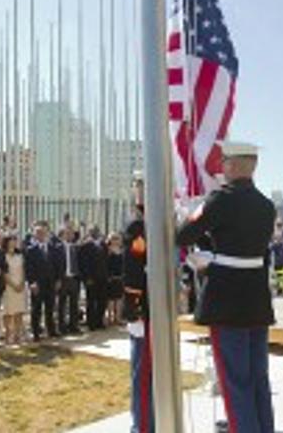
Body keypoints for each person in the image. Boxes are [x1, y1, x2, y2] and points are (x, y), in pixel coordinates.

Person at [177, 141, 276, 433]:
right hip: (257, 299)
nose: (221, 167)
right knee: (258, 379)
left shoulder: (220, 199)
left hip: (227, 299)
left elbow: (184, 234)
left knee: (234, 382)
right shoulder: (266, 205)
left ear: (232, 165)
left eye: (224, 162)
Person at [123, 172, 153, 433]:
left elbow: (133, 271)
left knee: (144, 375)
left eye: (142, 187)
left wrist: (134, 310)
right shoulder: (145, 225)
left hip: (146, 310)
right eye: (138, 187)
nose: (139, 192)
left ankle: (144, 427)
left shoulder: (139, 226)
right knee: (145, 373)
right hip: (151, 310)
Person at [25, 222, 59, 341]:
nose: (41, 234)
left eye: (43, 232)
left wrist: (57, 280)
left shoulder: (53, 248)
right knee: (36, 309)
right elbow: (28, 268)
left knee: (50, 308)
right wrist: (32, 283)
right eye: (38, 232)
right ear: (34, 234)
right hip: (37, 284)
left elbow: (57, 266)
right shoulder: (30, 250)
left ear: (47, 233)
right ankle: (36, 332)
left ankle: (51, 330)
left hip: (50, 283)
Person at [53, 225, 82, 335]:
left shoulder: (75, 247)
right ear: (63, 234)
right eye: (67, 233)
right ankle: (62, 327)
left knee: (74, 303)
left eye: (71, 233)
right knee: (62, 304)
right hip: (63, 279)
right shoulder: (57, 247)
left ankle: (74, 326)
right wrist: (57, 280)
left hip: (74, 278)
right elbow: (55, 265)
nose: (70, 235)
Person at [79, 226, 108, 331]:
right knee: (91, 301)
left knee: (102, 301)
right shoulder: (85, 246)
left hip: (103, 278)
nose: (95, 232)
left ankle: (99, 321)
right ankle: (91, 323)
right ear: (89, 233)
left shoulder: (103, 245)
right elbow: (83, 264)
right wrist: (87, 278)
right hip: (91, 278)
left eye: (96, 230)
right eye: (92, 231)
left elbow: (106, 261)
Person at [1, 235, 27, 345]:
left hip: (20, 285)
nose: (13, 243)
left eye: (14, 241)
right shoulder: (3, 256)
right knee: (8, 312)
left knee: (19, 311)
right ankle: (8, 335)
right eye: (10, 241)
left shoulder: (20, 256)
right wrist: (13, 285)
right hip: (9, 286)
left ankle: (17, 335)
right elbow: (4, 273)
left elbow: (24, 270)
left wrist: (21, 283)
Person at [105, 232, 125, 326]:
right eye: (114, 238)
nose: (116, 240)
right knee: (111, 299)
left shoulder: (121, 251)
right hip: (111, 278)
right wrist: (108, 276)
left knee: (119, 298)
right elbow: (106, 265)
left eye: (117, 238)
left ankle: (118, 318)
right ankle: (110, 318)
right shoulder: (108, 251)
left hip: (120, 277)